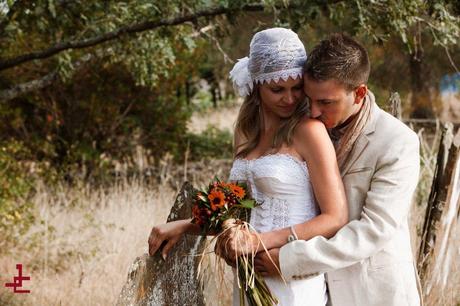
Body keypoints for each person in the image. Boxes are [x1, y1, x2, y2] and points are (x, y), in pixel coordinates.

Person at [148, 27, 348, 306]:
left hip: (292, 279)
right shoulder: (245, 132)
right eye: (277, 89)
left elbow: (335, 216)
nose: (289, 99)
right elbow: (239, 212)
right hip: (249, 278)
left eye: (296, 88)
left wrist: (261, 241)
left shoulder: (309, 131)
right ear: (257, 84)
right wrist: (184, 226)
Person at [252, 33, 422, 306]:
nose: (314, 111)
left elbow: (373, 230)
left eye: (326, 102)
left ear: (360, 92)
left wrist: (290, 258)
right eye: (311, 99)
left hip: (373, 295)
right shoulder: (306, 129)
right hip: (314, 293)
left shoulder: (397, 142)